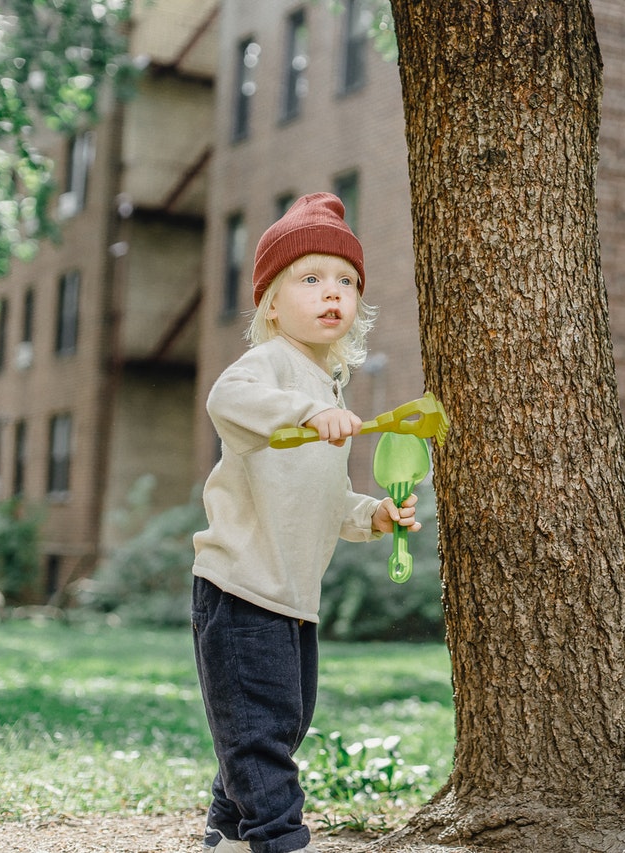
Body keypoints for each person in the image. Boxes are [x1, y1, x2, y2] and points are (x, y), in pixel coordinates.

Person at [191, 193, 420, 853]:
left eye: (346, 281)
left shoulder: (327, 386)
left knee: (279, 722)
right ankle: (278, 837)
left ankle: (228, 829)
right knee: (260, 729)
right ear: (270, 302)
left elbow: (325, 493)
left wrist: (371, 513)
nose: (333, 293)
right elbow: (226, 398)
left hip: (292, 594)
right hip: (239, 584)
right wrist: (302, 413)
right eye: (311, 278)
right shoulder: (272, 367)